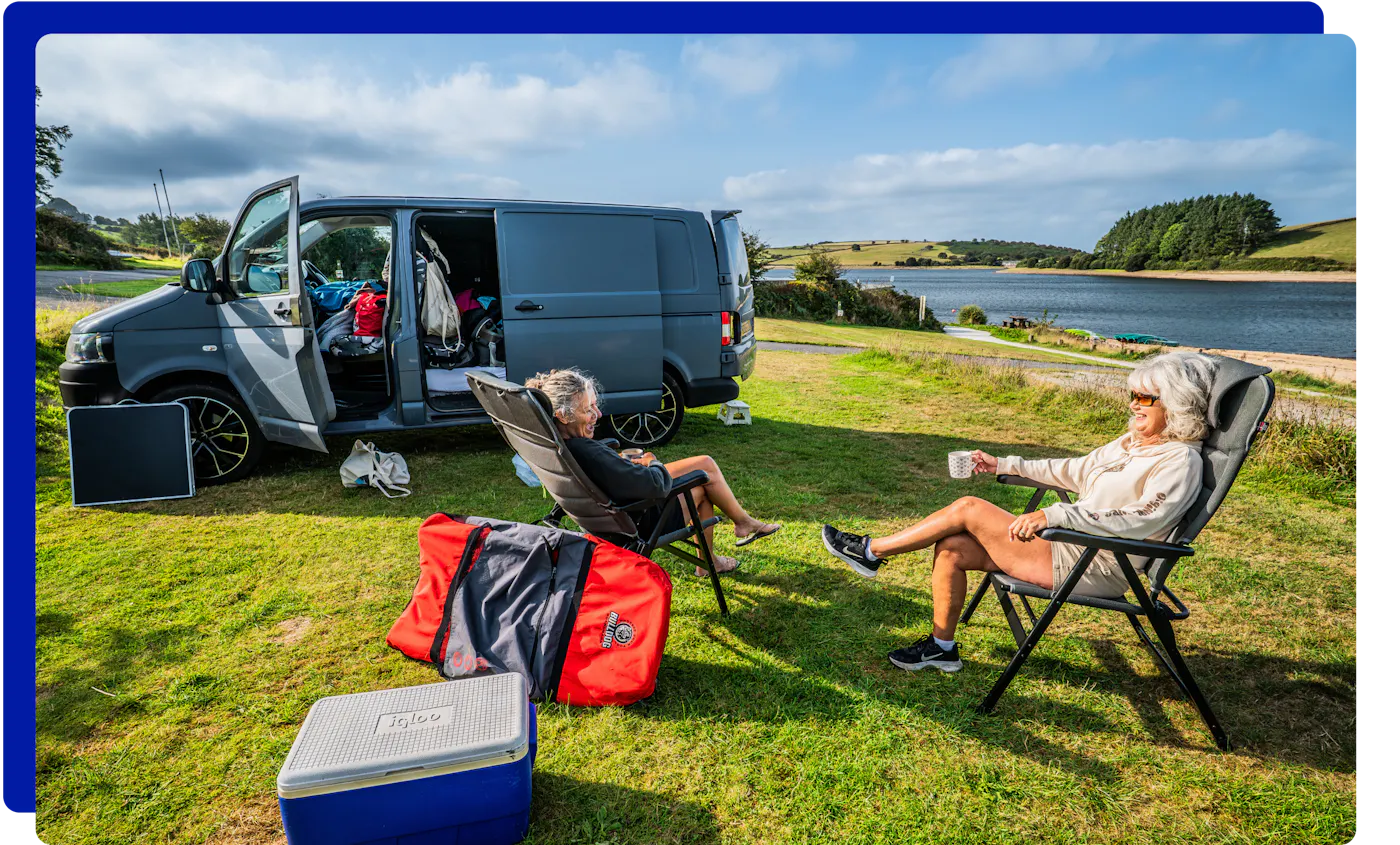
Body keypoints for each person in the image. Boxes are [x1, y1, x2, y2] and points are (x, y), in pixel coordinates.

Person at [822, 352, 1217, 673]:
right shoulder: (1132, 444)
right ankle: (942, 648)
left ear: (1176, 404)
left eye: (1145, 398)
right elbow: (1073, 470)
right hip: (1071, 546)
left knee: (969, 508)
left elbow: (1142, 518)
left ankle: (871, 552)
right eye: (1132, 394)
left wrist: (1057, 516)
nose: (1134, 404)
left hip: (1096, 564)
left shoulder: (1180, 460)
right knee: (954, 546)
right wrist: (1004, 464)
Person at [527, 368, 782, 575]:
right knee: (705, 473)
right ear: (562, 415)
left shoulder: (565, 447)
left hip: (618, 507)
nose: (598, 414)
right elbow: (656, 485)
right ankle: (736, 532)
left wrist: (624, 465)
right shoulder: (589, 453)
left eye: (595, 406)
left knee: (705, 468)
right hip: (642, 518)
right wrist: (651, 461)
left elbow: (617, 475)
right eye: (588, 409)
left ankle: (726, 543)